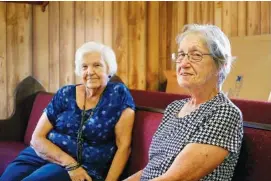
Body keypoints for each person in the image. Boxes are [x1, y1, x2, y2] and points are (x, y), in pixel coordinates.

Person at [1, 42, 135, 181]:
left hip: (83, 167)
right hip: (44, 154)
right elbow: (36, 138)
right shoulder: (66, 93)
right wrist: (70, 164)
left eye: (97, 65)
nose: (90, 71)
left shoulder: (118, 95)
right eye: (84, 66)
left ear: (109, 69)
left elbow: (124, 146)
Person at [125, 24, 243, 181]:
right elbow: (153, 168)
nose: (183, 63)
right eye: (181, 55)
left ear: (221, 63)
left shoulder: (224, 112)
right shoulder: (174, 108)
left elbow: (176, 178)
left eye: (195, 55)